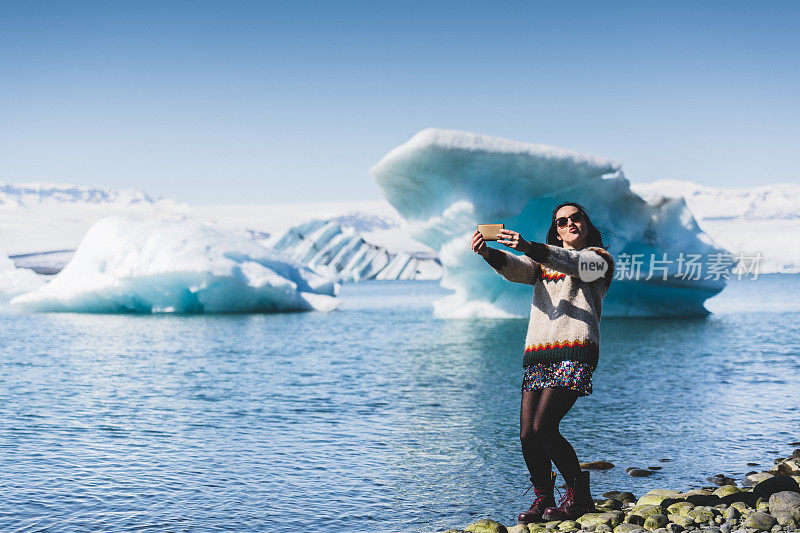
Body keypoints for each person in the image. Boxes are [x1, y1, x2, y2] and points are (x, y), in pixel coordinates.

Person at [470, 202, 614, 523]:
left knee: (544, 426)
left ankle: (580, 496)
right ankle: (544, 499)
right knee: (526, 434)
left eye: (576, 218)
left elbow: (573, 263)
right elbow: (519, 269)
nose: (569, 224)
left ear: (586, 224)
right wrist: (487, 253)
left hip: (574, 351)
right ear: (557, 230)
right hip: (538, 356)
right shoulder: (542, 263)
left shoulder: (600, 261)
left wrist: (532, 247)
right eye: (562, 222)